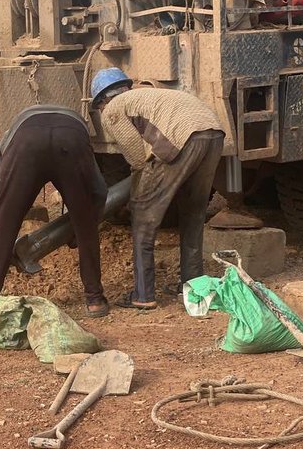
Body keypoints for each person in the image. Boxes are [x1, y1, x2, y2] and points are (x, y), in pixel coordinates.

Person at [91, 68, 225, 310]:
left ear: (102, 100)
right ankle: (193, 286)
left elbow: (136, 157)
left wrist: (139, 192)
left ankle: (143, 295)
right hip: (214, 133)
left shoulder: (113, 108)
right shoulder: (149, 96)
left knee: (143, 217)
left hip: (183, 137)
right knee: (193, 213)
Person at [0, 105, 110, 317]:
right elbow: (99, 189)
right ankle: (94, 299)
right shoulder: (79, 127)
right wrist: (85, 224)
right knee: (86, 226)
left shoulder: (14, 129)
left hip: (26, 142)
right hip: (70, 141)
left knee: (4, 225)